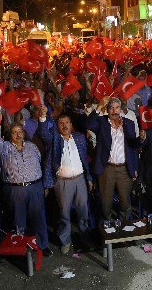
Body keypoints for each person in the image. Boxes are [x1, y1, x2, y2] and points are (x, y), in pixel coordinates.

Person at [0, 121, 53, 257]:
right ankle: (21, 248)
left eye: (20, 131)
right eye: (14, 132)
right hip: (16, 190)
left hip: (35, 187)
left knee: (39, 218)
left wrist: (43, 184)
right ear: (10, 135)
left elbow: (39, 162)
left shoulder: (32, 146)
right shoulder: (5, 148)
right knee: (19, 221)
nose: (18, 134)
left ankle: (43, 245)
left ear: (24, 133)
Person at [40, 108, 93, 254]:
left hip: (80, 179)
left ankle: (84, 235)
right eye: (61, 123)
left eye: (67, 123)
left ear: (71, 125)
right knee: (64, 212)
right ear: (57, 126)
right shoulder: (55, 139)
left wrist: (88, 178)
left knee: (83, 210)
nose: (64, 126)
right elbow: (44, 134)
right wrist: (43, 117)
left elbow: (85, 161)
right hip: (62, 182)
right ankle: (65, 241)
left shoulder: (79, 138)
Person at [86, 97, 141, 221]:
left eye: (117, 108)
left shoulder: (129, 123)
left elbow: (132, 146)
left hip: (124, 169)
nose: (114, 111)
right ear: (107, 109)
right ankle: (108, 230)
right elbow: (88, 124)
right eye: (111, 108)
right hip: (106, 169)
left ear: (120, 109)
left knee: (125, 202)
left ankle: (124, 228)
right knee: (106, 202)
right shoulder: (101, 122)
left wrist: (142, 140)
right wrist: (99, 107)